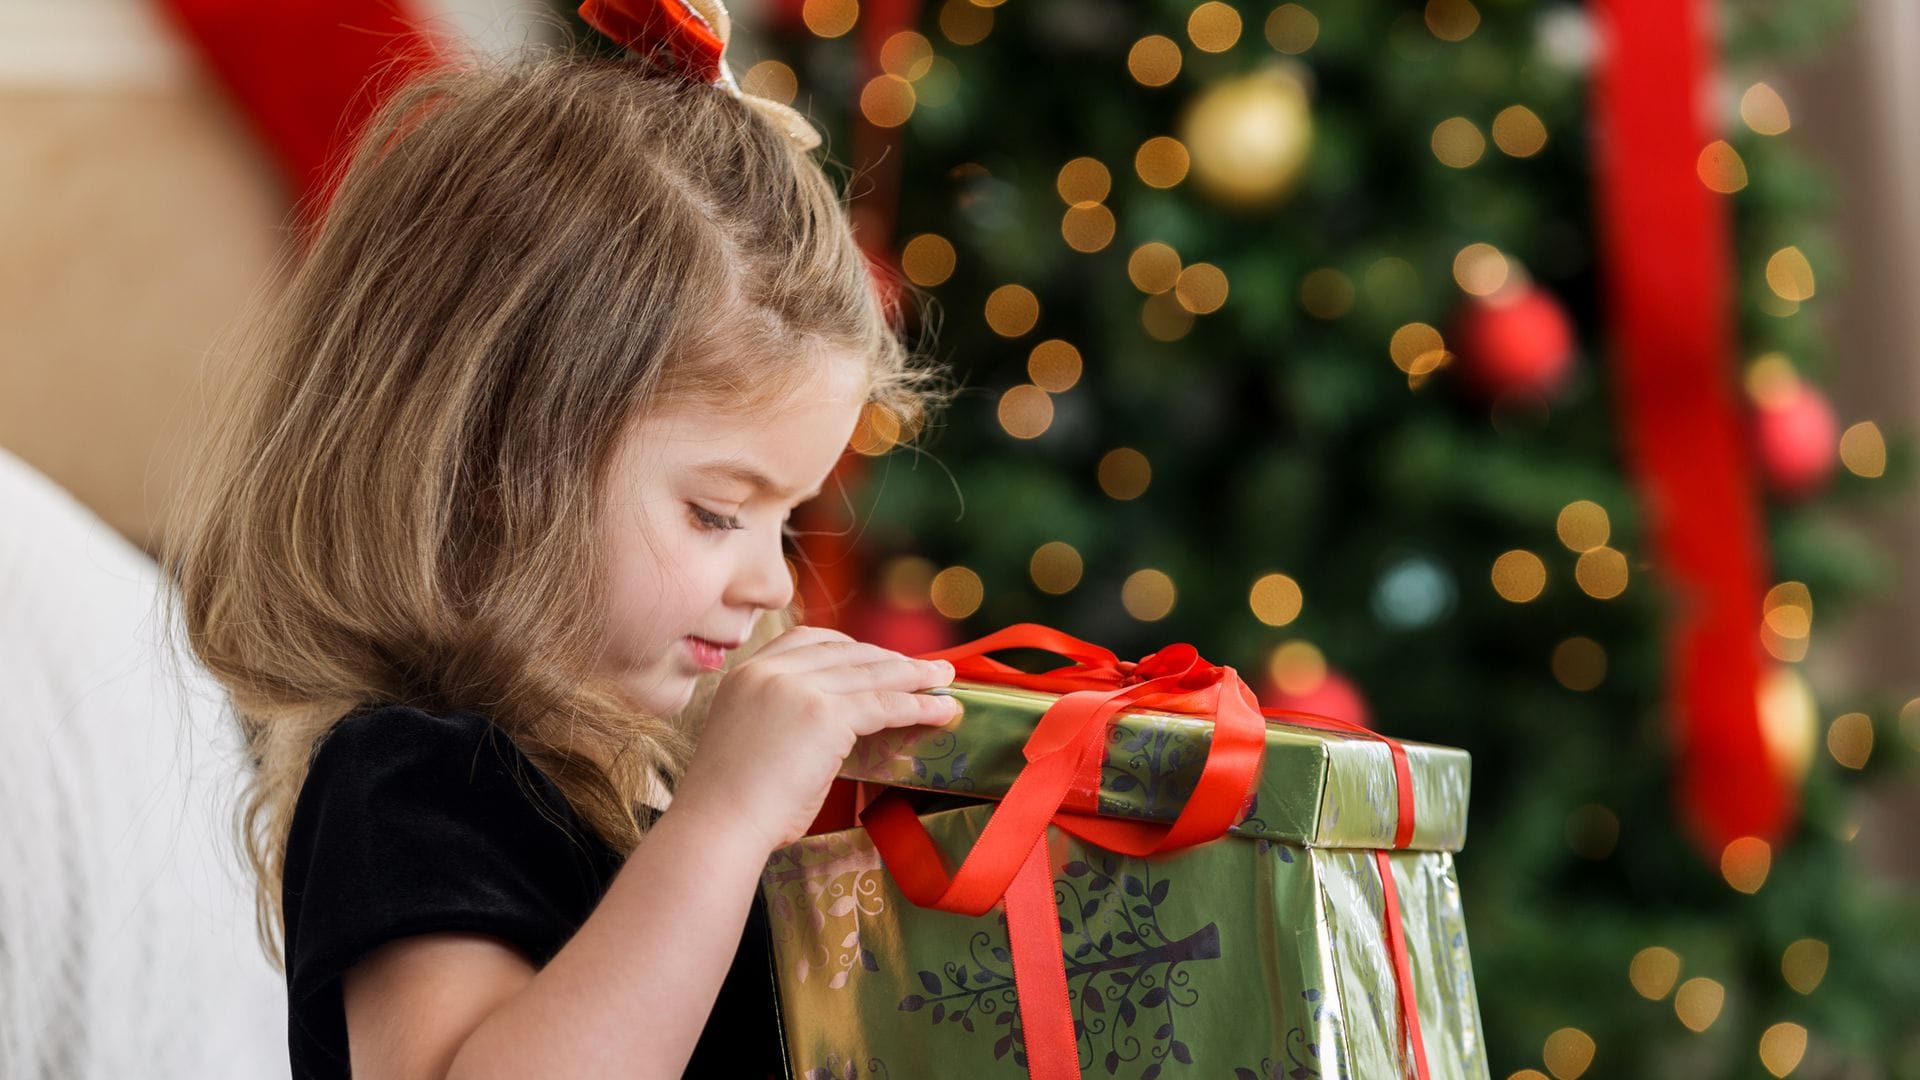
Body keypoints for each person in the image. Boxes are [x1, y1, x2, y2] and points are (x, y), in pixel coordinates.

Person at [157, 1, 959, 1076]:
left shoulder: (641, 784)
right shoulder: (413, 778)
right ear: (490, 466)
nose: (771, 581)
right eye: (718, 513)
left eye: (787, 517)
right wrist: (724, 826)